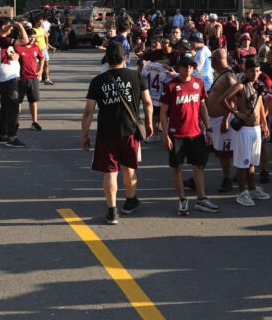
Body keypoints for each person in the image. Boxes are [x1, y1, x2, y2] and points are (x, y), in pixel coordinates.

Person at [80, 42, 153, 224]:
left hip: (107, 133)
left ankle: (112, 211)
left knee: (110, 172)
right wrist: (150, 123)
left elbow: (88, 111)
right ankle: (129, 202)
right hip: (130, 131)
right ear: (125, 58)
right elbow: (148, 103)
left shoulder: (98, 81)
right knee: (129, 168)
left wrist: (84, 134)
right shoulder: (136, 76)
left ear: (107, 59)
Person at [161, 55, 219, 216]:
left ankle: (201, 199)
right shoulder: (171, 86)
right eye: (185, 66)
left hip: (196, 134)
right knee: (177, 168)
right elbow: (163, 112)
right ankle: (182, 201)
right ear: (178, 67)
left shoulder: (198, 84)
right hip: (176, 135)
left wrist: (208, 129)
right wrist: (165, 135)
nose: (188, 69)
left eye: (191, 66)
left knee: (198, 167)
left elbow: (202, 107)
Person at [222, 57, 271, 207]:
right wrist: (236, 113)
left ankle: (252, 188)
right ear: (245, 71)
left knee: (252, 163)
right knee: (243, 163)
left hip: (256, 129)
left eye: (257, 71)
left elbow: (260, 105)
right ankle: (242, 192)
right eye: (252, 71)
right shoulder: (240, 86)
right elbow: (223, 100)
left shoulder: (258, 86)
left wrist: (264, 123)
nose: (255, 74)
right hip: (244, 130)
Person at [0, 17, 31, 147]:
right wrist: (20, 25)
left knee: (5, 107)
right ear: (3, 27)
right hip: (7, 77)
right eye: (10, 26)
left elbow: (15, 53)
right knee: (13, 108)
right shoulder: (0, 39)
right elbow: (25, 40)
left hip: (5, 76)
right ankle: (12, 137)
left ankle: (3, 135)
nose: (12, 28)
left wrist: (17, 56)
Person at [206, 49, 238, 193]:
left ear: (215, 60)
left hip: (222, 119)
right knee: (205, 148)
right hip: (212, 119)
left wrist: (226, 119)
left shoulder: (229, 77)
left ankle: (227, 178)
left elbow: (233, 100)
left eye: (211, 59)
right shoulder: (221, 75)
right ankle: (197, 176)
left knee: (223, 153)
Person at [14, 28, 45, 131]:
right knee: (18, 102)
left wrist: (40, 70)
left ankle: (34, 122)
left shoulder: (36, 48)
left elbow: (42, 58)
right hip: (21, 78)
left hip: (33, 78)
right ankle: (16, 123)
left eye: (34, 38)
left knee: (33, 101)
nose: (32, 39)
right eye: (30, 37)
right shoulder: (17, 48)